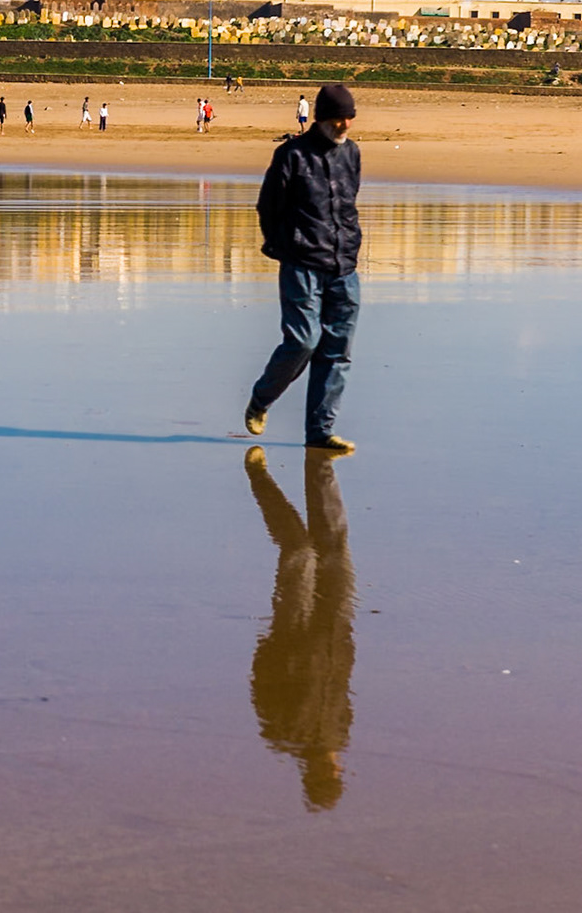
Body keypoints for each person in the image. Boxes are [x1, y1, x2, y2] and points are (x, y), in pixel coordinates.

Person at [244, 84, 362, 454]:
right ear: (322, 118)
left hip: (344, 267)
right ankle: (261, 400)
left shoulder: (352, 154)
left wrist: (351, 244)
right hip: (302, 264)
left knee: (337, 351)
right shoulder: (291, 155)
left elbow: (348, 203)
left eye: (349, 118)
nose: (344, 125)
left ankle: (320, 432)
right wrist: (283, 247)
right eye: (338, 118)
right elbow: (268, 207)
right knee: (303, 341)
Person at [246, 446, 356, 812]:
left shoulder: (282, 733)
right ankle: (264, 477)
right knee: (310, 549)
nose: (338, 766)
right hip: (323, 632)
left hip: (298, 636)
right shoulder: (338, 735)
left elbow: (261, 685)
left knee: (308, 549)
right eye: (337, 773)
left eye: (333, 774)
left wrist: (271, 646)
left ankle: (261, 477)